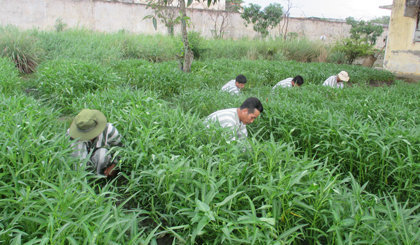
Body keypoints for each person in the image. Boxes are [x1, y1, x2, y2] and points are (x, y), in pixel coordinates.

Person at [67, 109, 123, 177]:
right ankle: (82, 178)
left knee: (102, 153)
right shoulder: (71, 135)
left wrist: (114, 166)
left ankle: (99, 178)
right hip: (81, 169)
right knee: (76, 150)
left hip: (102, 167)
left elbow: (121, 149)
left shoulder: (109, 131)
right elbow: (68, 157)